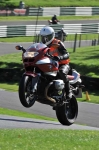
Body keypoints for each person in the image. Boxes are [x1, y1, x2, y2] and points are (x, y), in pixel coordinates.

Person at [39, 26, 72, 100]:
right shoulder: (41, 45)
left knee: (61, 72)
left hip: (62, 64)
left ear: (52, 36)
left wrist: (59, 57)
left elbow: (67, 54)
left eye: (47, 37)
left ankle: (68, 91)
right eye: (43, 37)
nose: (45, 39)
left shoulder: (58, 43)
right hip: (51, 64)